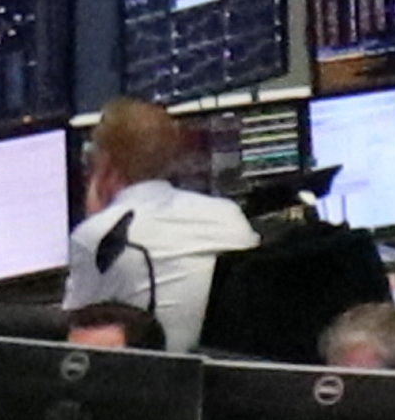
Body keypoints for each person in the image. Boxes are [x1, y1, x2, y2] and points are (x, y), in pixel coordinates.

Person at [61, 99, 258, 353]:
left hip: (153, 382)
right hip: (229, 375)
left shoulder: (101, 237)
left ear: (104, 162)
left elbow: (73, 337)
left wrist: (96, 216)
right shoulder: (228, 214)